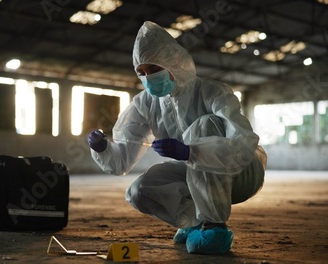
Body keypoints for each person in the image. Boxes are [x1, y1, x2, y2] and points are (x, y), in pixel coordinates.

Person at [88, 21, 267, 254]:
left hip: (240, 173)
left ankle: (215, 224)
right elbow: (121, 159)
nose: (147, 78)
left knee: (205, 125)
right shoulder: (145, 103)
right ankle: (195, 223)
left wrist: (191, 151)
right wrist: (102, 148)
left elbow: (243, 142)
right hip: (197, 176)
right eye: (141, 73)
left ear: (172, 63)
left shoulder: (212, 92)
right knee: (140, 190)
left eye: (153, 70)